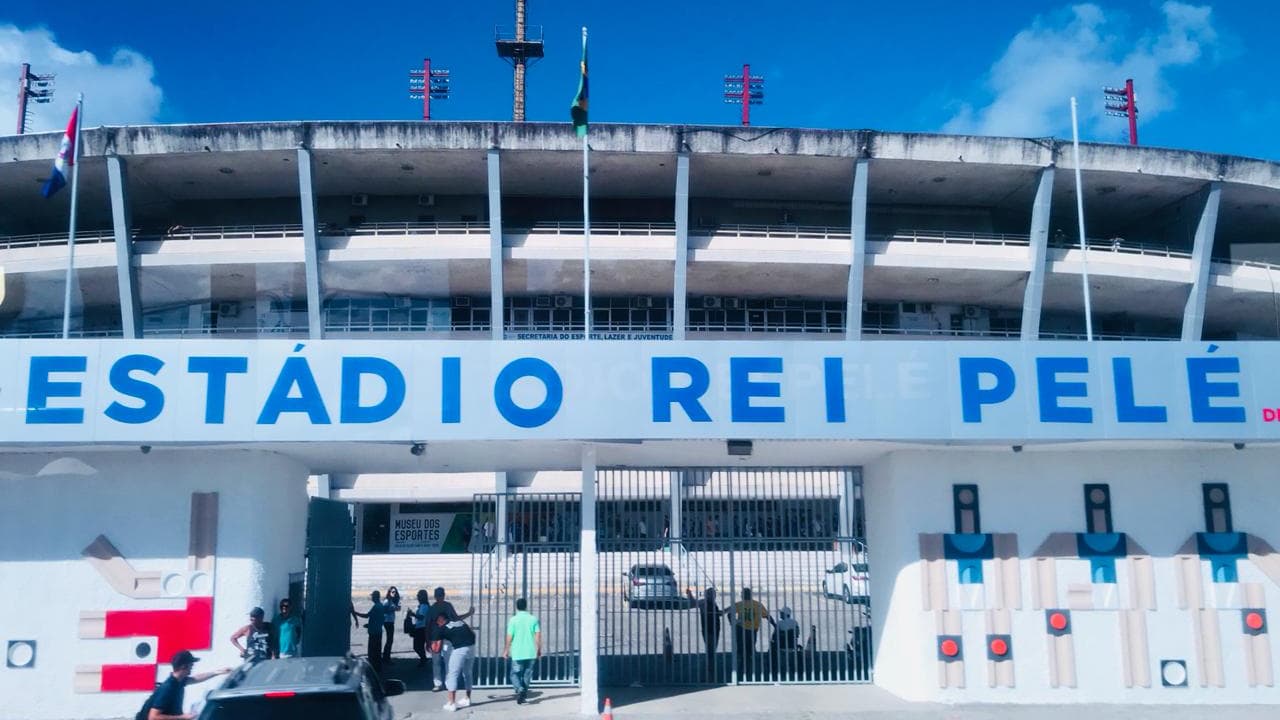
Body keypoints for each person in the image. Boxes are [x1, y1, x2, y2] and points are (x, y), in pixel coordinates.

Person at [134, 650, 230, 720]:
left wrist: (217, 672)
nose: (192, 668)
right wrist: (182, 717)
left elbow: (195, 678)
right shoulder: (168, 688)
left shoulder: (178, 681)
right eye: (191, 665)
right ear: (183, 666)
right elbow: (153, 717)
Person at [427, 587, 474, 692]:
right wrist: (427, 640)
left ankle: (449, 683)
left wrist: (468, 614)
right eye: (438, 595)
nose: (439, 597)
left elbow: (456, 619)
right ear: (435, 596)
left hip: (447, 637)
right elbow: (428, 625)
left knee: (448, 661)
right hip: (436, 638)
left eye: (441, 595)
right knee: (437, 661)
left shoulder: (447, 606)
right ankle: (438, 683)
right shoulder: (433, 608)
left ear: (443, 595)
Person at [432, 612, 477, 712]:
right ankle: (467, 698)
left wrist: (433, 647)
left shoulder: (442, 628)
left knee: (452, 674)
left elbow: (437, 649)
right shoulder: (460, 622)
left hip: (460, 649)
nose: (437, 624)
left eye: (437, 622)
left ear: (440, 620)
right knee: (468, 673)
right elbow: (473, 634)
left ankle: (452, 703)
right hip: (472, 647)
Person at [503, 597, 541, 704]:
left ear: (517, 607)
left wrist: (506, 650)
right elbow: (538, 636)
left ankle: (520, 689)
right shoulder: (533, 619)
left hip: (517, 652)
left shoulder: (513, 620)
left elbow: (509, 637)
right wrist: (539, 649)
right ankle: (523, 693)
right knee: (527, 674)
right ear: (526, 606)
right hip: (531, 652)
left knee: (514, 674)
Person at [730, 588, 771, 679]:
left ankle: (742, 668)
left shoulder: (740, 604)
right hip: (752, 631)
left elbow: (729, 613)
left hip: (741, 631)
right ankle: (747, 669)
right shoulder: (757, 605)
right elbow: (768, 616)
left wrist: (733, 622)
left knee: (742, 650)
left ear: (743, 595)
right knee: (749, 650)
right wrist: (776, 625)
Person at [685, 587, 723, 680]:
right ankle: (709, 673)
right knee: (711, 652)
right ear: (707, 594)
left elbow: (718, 614)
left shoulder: (713, 603)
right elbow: (693, 603)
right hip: (709, 630)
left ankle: (709, 672)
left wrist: (729, 609)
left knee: (711, 651)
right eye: (710, 593)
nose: (713, 595)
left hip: (715, 630)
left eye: (714, 593)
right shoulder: (703, 602)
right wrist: (689, 594)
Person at [352, 590, 387, 678]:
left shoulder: (376, 607)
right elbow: (380, 619)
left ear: (375, 597)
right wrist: (369, 624)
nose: (371, 597)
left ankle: (373, 669)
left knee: (372, 652)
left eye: (372, 596)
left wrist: (355, 613)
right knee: (377, 651)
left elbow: (367, 616)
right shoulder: (381, 606)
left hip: (374, 632)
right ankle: (378, 668)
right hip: (378, 631)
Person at [770, 606, 801, 678]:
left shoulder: (779, 623)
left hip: (781, 647)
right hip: (792, 646)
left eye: (781, 613)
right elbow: (797, 634)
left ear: (784, 614)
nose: (780, 614)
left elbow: (775, 636)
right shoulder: (795, 622)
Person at [411, 588, 432, 667]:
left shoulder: (423, 606)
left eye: (419, 595)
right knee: (419, 645)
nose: (417, 597)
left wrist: (412, 614)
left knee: (417, 646)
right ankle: (423, 659)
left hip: (421, 628)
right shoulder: (423, 605)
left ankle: (423, 659)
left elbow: (421, 617)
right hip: (421, 628)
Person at [382, 586, 402, 663]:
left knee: (390, 640)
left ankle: (386, 657)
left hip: (390, 621)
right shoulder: (387, 601)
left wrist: (396, 606)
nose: (394, 593)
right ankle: (386, 658)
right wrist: (392, 609)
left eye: (395, 592)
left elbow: (398, 609)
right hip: (387, 622)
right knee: (389, 640)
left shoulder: (391, 601)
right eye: (393, 592)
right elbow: (384, 610)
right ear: (389, 592)